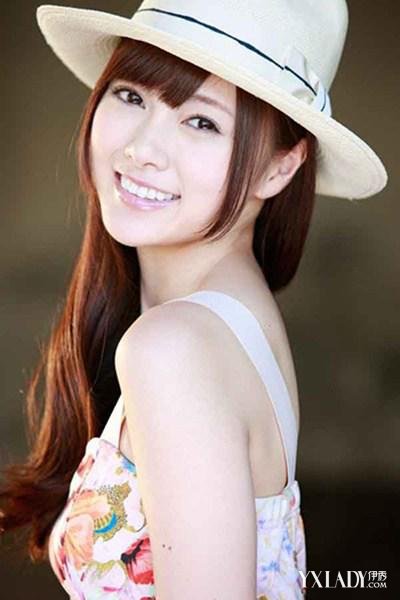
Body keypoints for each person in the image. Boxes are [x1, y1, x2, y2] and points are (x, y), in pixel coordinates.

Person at [0, 1, 387, 598]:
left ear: (280, 168)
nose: (142, 149)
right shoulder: (231, 317)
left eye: (202, 122)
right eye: (131, 95)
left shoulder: (175, 348)